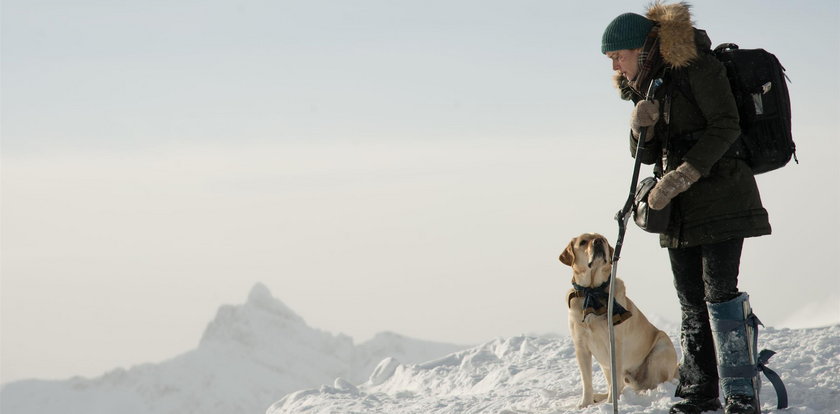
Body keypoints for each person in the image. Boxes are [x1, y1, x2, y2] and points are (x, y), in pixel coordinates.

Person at [601, 3, 772, 414]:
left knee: (720, 296)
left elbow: (726, 125)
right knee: (691, 300)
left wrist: (682, 176)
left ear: (640, 49)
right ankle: (699, 391)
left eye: (618, 57)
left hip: (722, 199)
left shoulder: (697, 66)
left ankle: (740, 393)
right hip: (678, 210)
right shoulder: (651, 83)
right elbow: (648, 155)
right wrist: (639, 127)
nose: (616, 67)